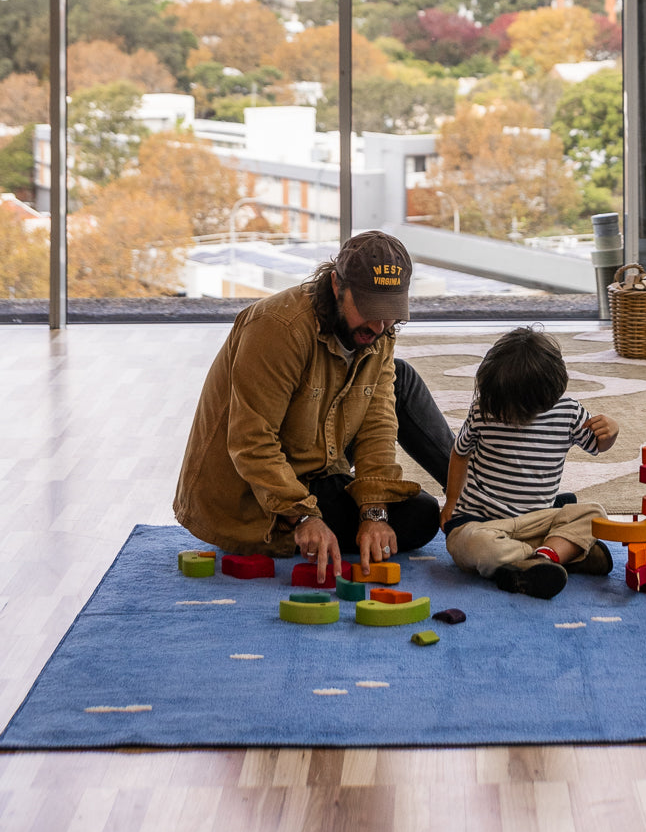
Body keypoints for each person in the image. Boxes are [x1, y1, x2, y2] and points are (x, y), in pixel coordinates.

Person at [175, 230, 454, 585]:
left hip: (319, 460)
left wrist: (374, 511)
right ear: (337, 285)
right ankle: (291, 528)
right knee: (421, 516)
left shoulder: (379, 332)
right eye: (370, 310)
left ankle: (476, 497)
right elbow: (251, 442)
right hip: (251, 494)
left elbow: (377, 422)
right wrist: (304, 517)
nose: (380, 325)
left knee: (402, 379)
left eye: (390, 313)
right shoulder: (277, 329)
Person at [440, 326, 619, 600]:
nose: (509, 416)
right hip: (481, 522)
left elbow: (599, 445)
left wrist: (611, 432)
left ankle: (538, 558)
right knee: (475, 546)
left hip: (536, 522)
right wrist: (451, 502)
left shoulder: (569, 412)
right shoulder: (484, 410)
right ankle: (558, 554)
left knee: (594, 514)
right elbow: (459, 452)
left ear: (547, 396)